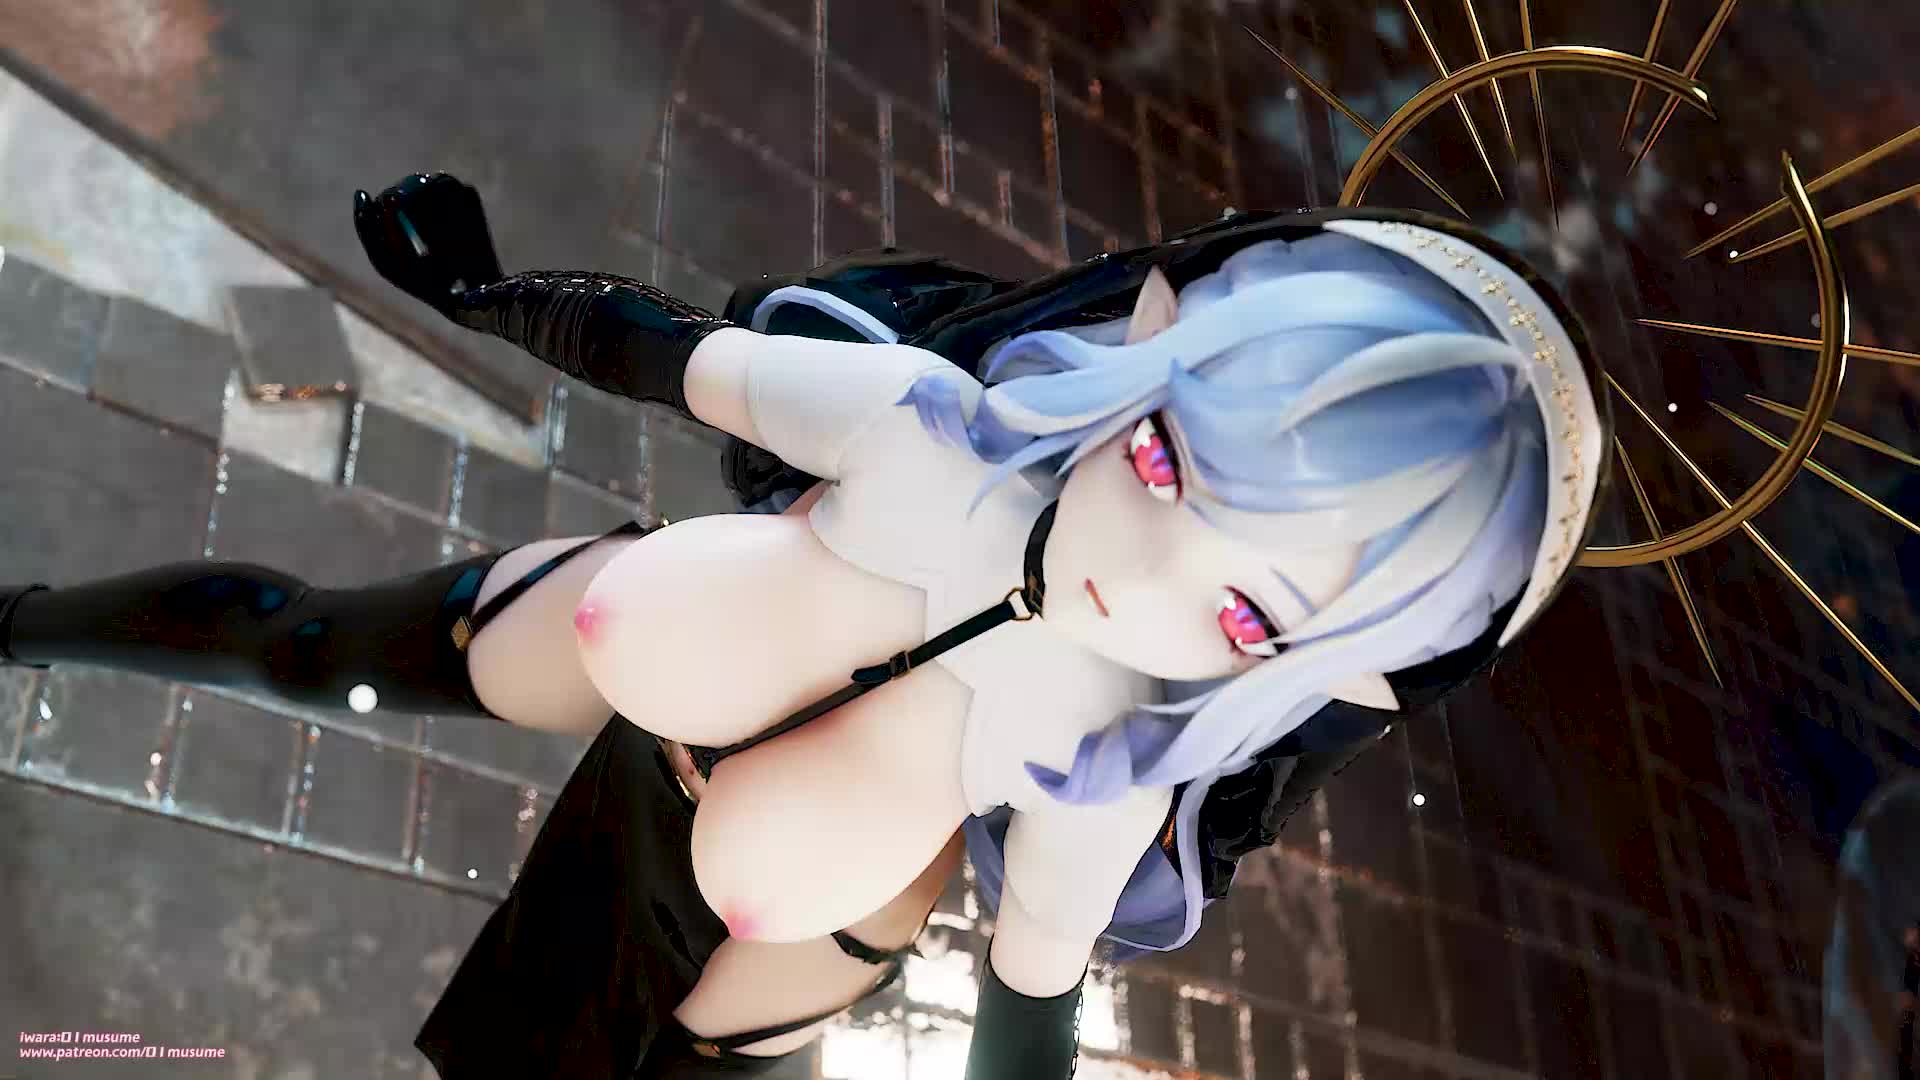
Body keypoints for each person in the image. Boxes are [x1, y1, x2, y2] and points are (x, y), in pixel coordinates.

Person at [0, 172, 1608, 1076]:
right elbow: (666, 355)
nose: (1146, 575)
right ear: (1156, 327)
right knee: (310, 646)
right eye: (1171, 460)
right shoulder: (924, 424)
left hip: (770, 941)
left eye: (1253, 613)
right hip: (653, 657)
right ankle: (15, 621)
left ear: (1337, 680)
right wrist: (482, 295)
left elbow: (1032, 999)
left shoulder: (1105, 768)